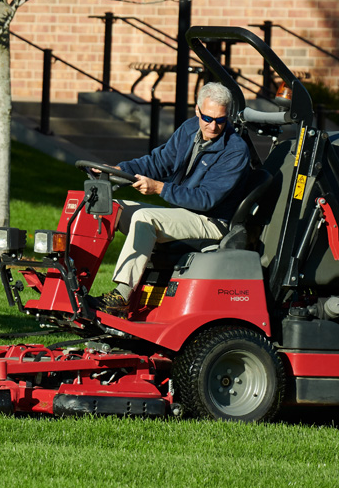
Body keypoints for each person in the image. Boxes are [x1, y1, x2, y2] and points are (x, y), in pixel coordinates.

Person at [98, 80, 250, 313]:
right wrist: (121, 169)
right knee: (110, 207)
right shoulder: (189, 129)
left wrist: (159, 189)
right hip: (183, 213)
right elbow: (158, 162)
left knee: (145, 218)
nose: (213, 126)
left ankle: (122, 295)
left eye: (221, 120)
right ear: (197, 110)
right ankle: (74, 279)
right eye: (207, 118)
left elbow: (205, 199)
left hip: (212, 221)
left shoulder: (235, 151)